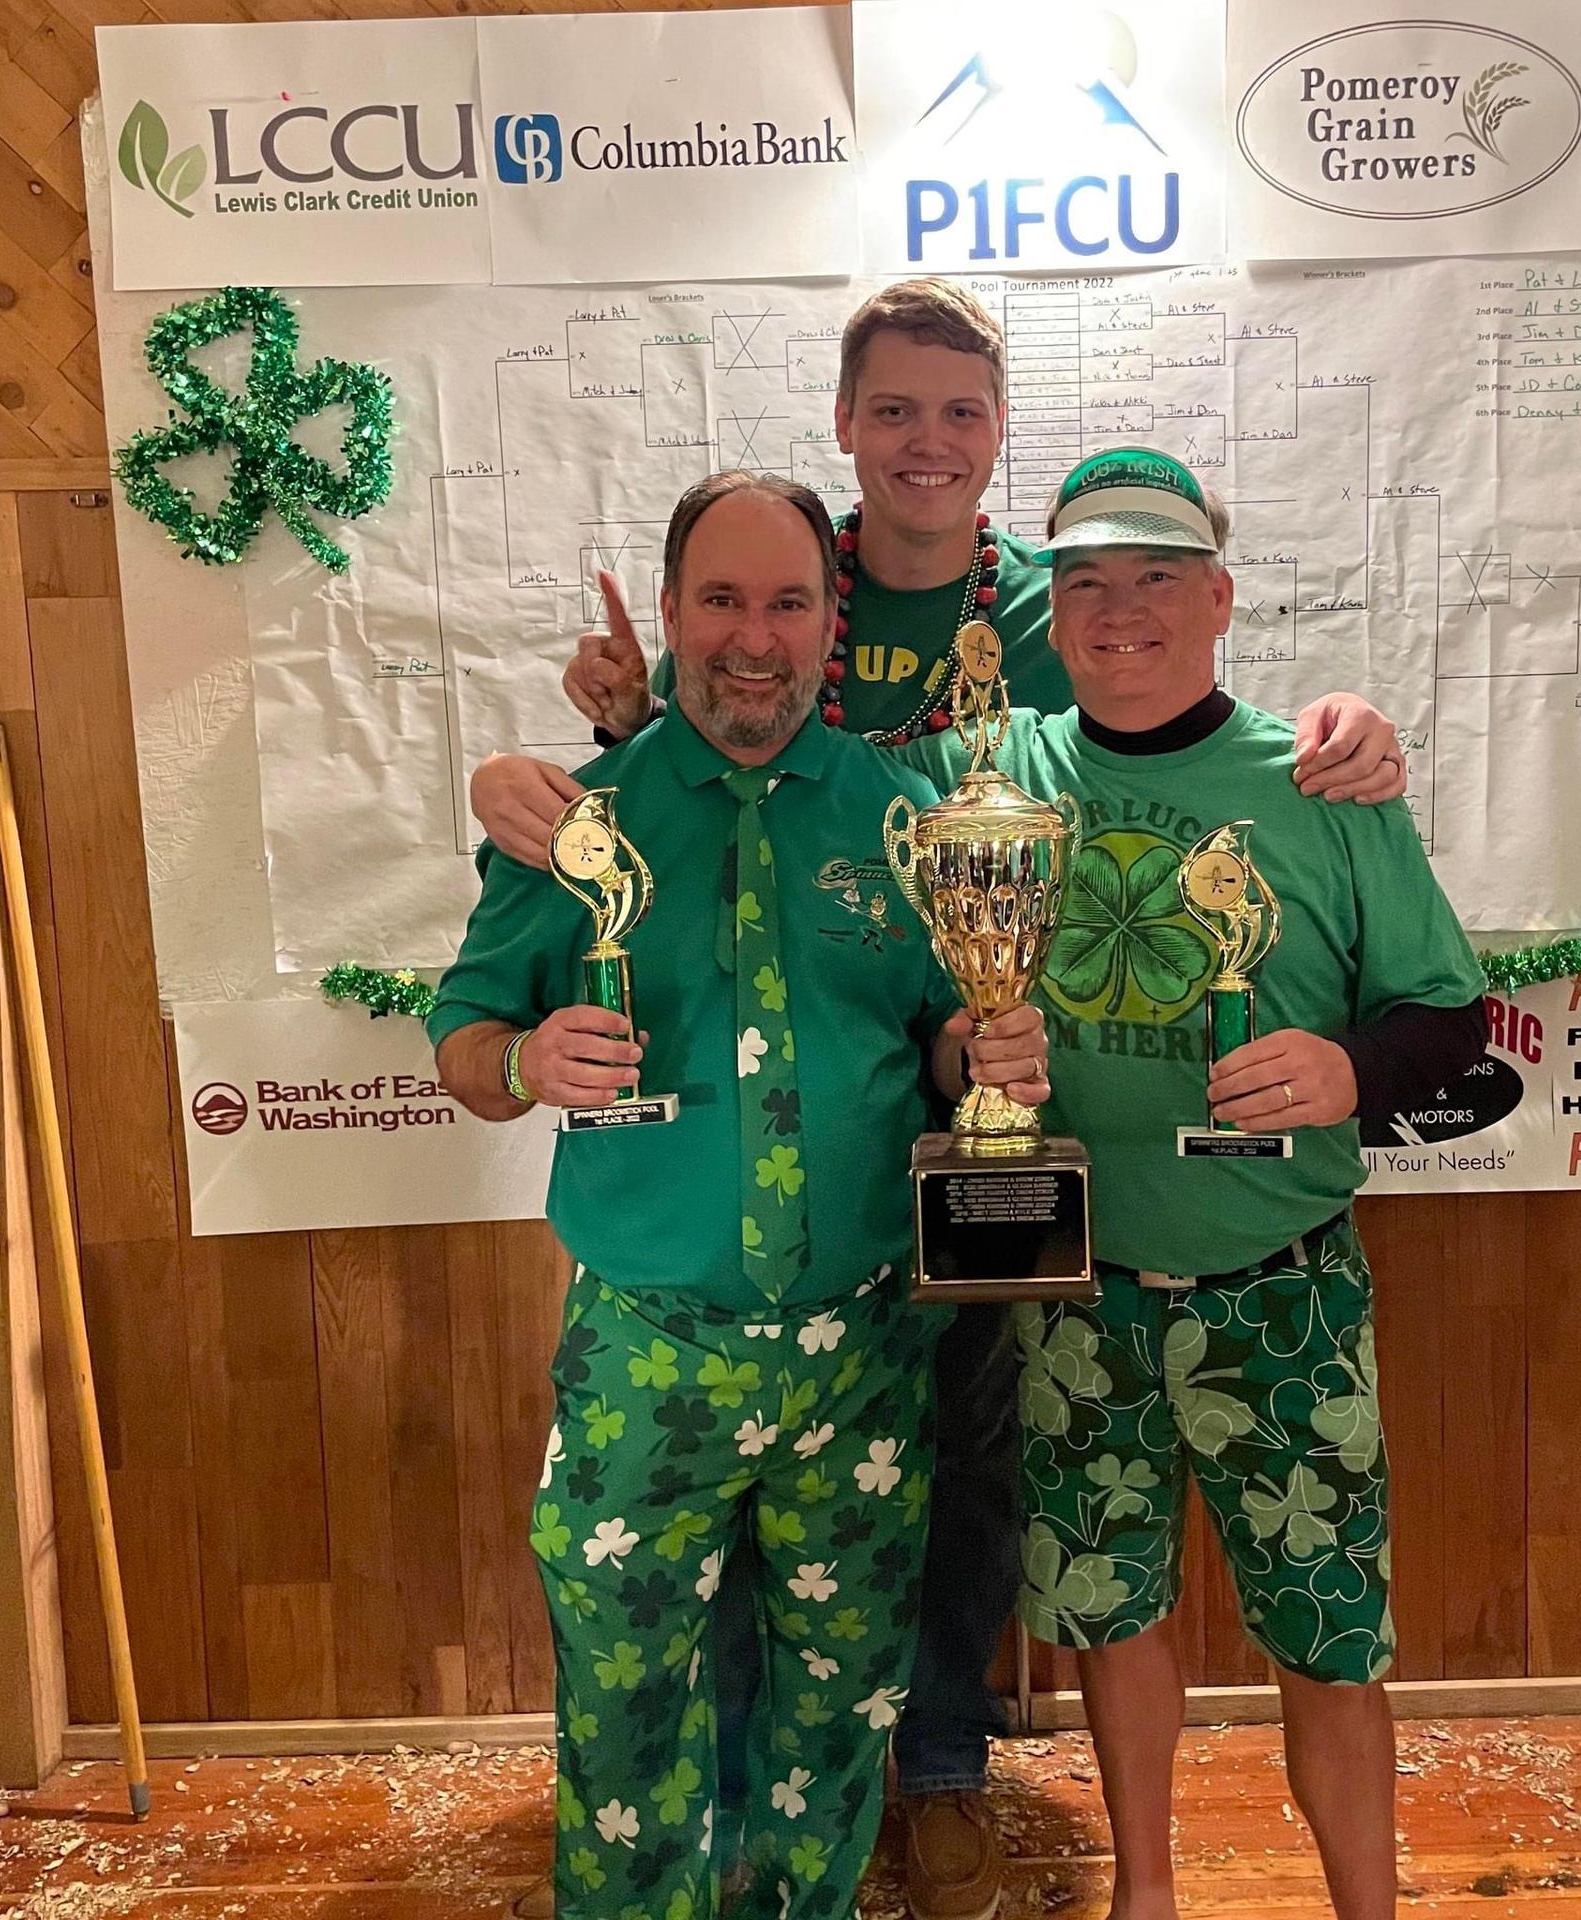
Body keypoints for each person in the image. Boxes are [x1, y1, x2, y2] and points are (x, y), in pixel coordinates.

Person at [472, 280, 1413, 1920]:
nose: (926, 442)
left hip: (995, 1156)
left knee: (960, 1483)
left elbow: (1180, 684)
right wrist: (594, 744)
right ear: (846, 426)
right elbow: (700, 750)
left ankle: (942, 1775)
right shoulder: (778, 593)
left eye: (961, 416)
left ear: (994, 441)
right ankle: (717, 1843)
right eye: (894, 410)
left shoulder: (1062, 600)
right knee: (736, 1575)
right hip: (763, 1212)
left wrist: (1350, 729)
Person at [429, 471, 1050, 1920]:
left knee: (835, 1723)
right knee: (629, 1720)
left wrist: (985, 1044)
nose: (752, 636)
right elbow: (461, 1045)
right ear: (667, 617)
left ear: (832, 626)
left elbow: (934, 1029)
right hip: (649, 1356)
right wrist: (521, 1056)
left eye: (786, 602)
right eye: (720, 600)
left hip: (862, 1357)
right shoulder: (576, 825)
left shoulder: (904, 820)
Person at [890, 447, 1488, 1920]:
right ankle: (1147, 1895)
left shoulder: (1322, 778)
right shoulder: (991, 772)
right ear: (1051, 611)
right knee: (1108, 1618)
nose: (1120, 611)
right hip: (1076, 1296)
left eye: (1158, 576)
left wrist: (1353, 1071)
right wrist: (965, 1038)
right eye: (1086, 582)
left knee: (1331, 1640)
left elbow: (1448, 1021)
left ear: (1220, 598)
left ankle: (1368, 1909)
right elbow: (800, 794)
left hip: (1281, 1287)